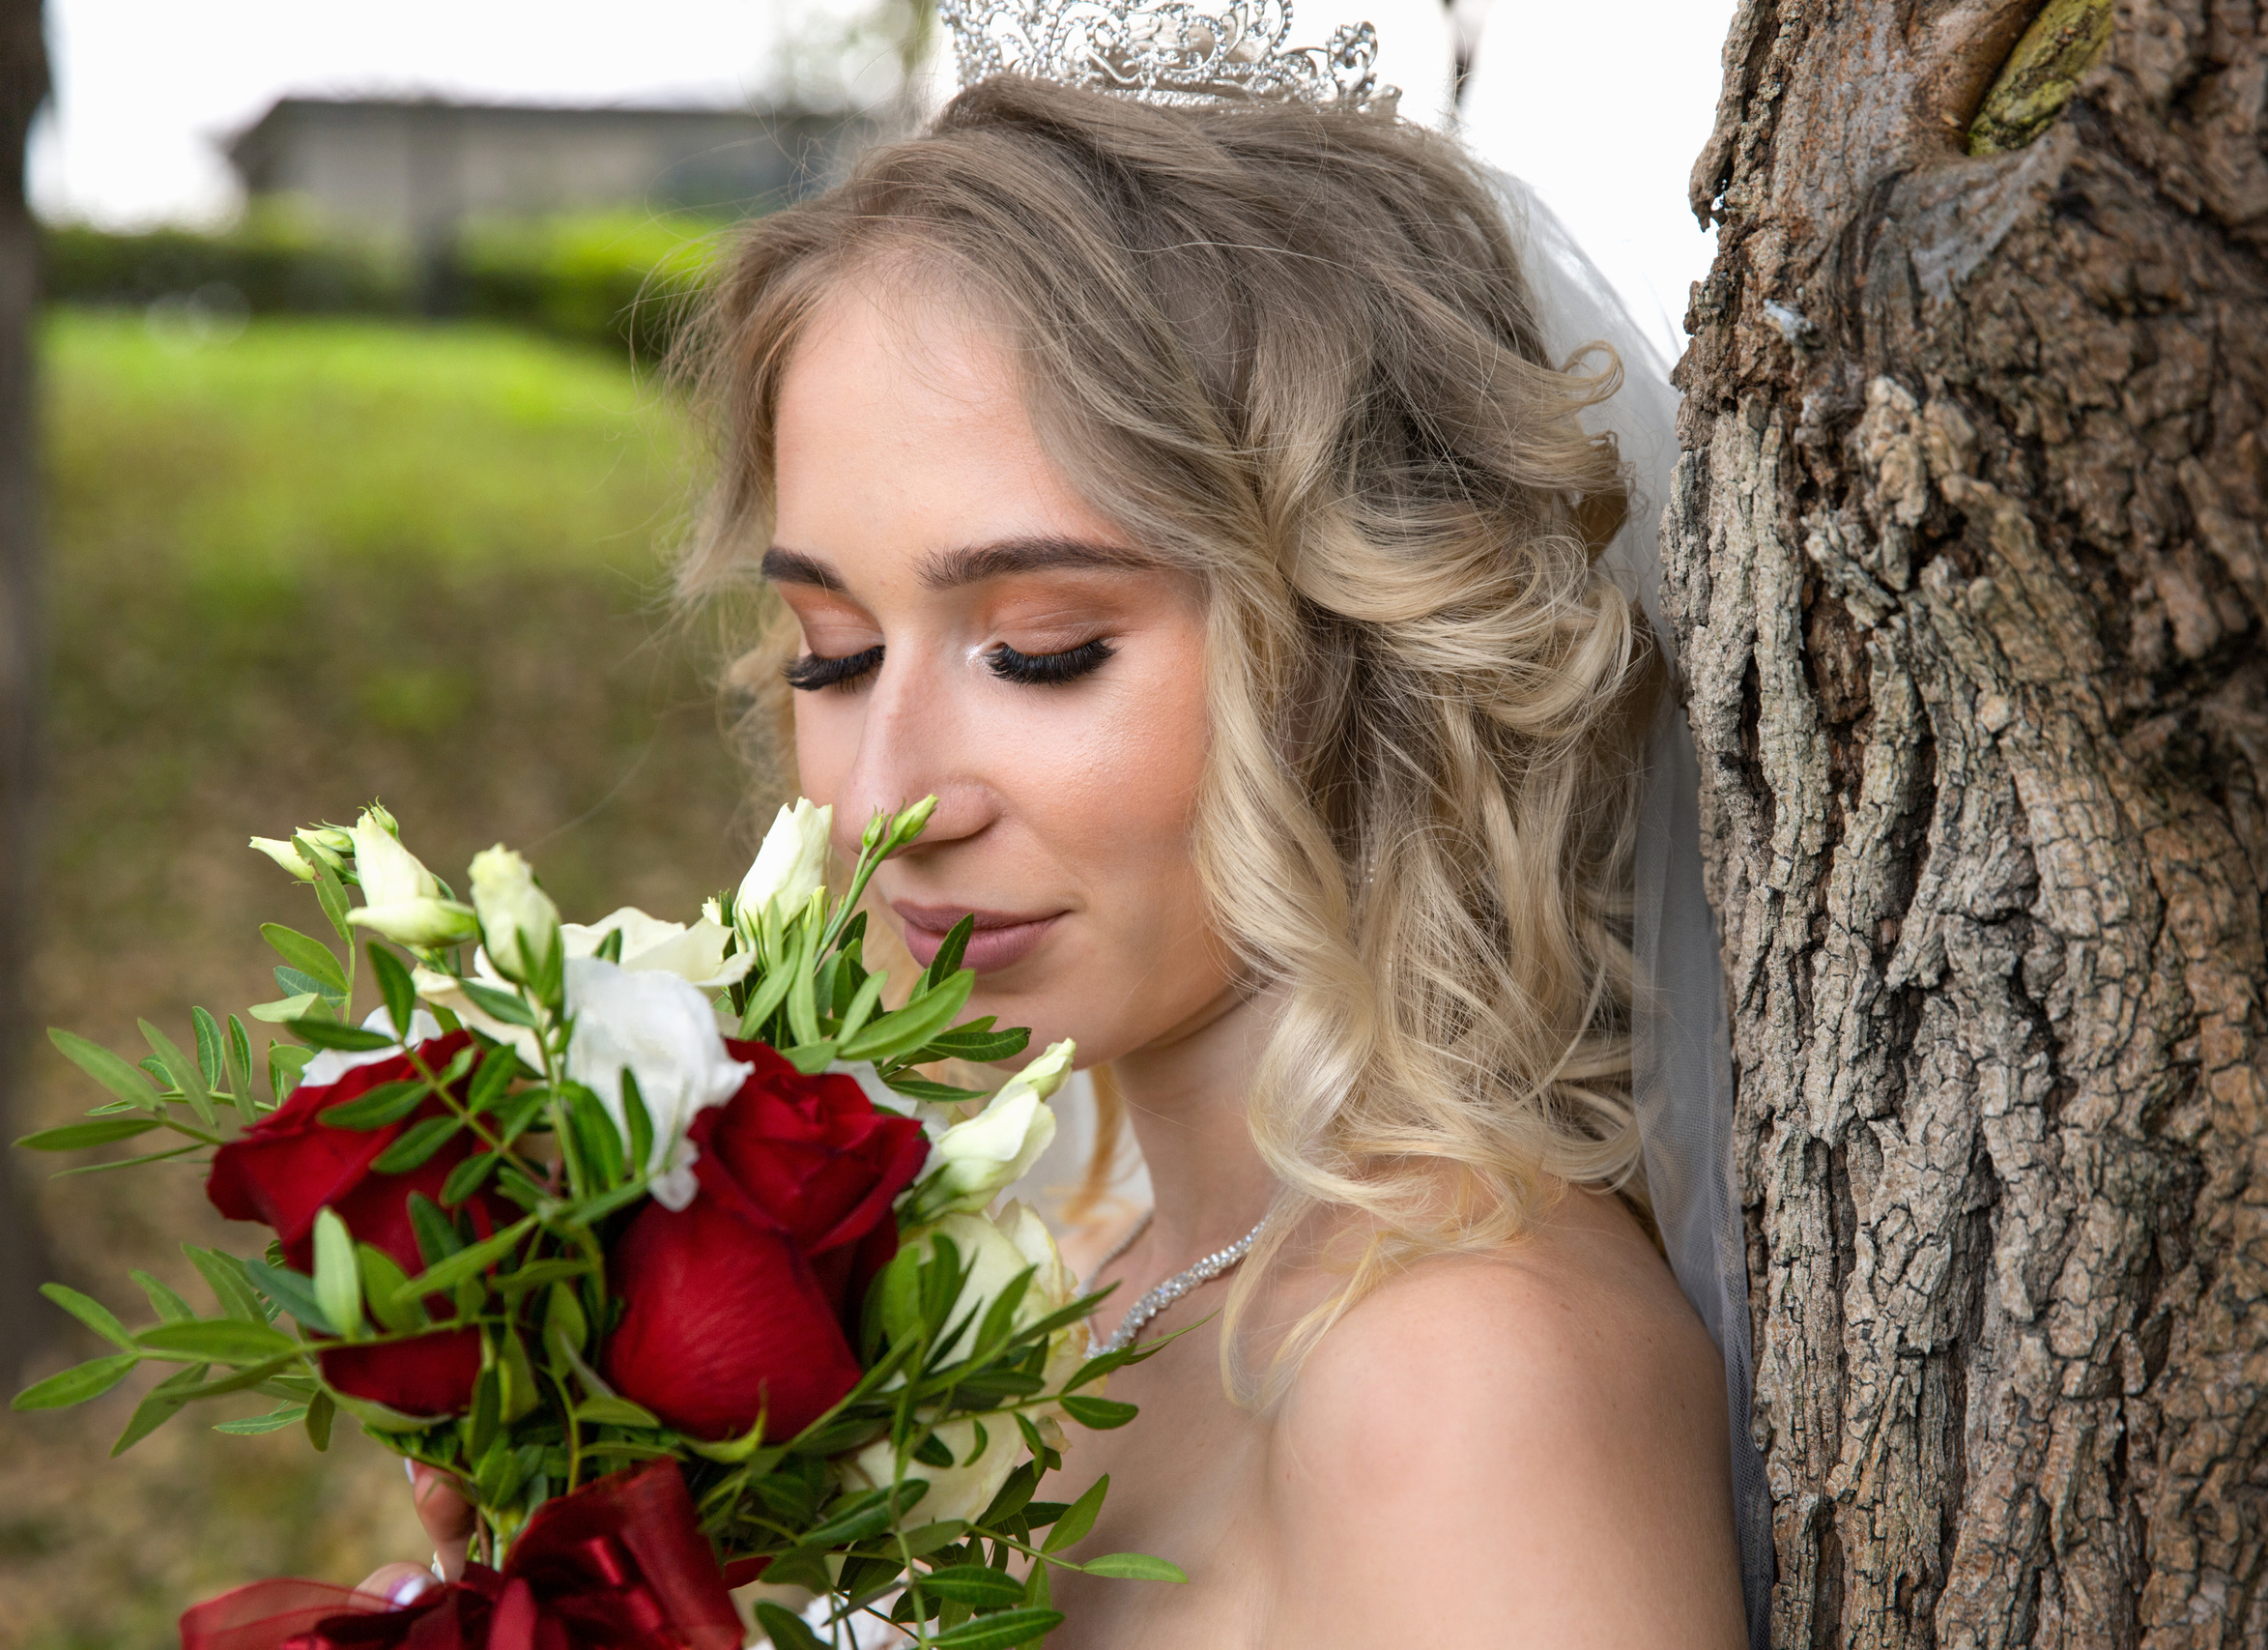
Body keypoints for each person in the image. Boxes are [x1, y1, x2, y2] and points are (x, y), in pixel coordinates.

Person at [359, 43, 1752, 1650]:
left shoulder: (1463, 1375)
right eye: (831, 649)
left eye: (1039, 649)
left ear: (1373, 641)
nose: (886, 798)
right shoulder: (1066, 1275)